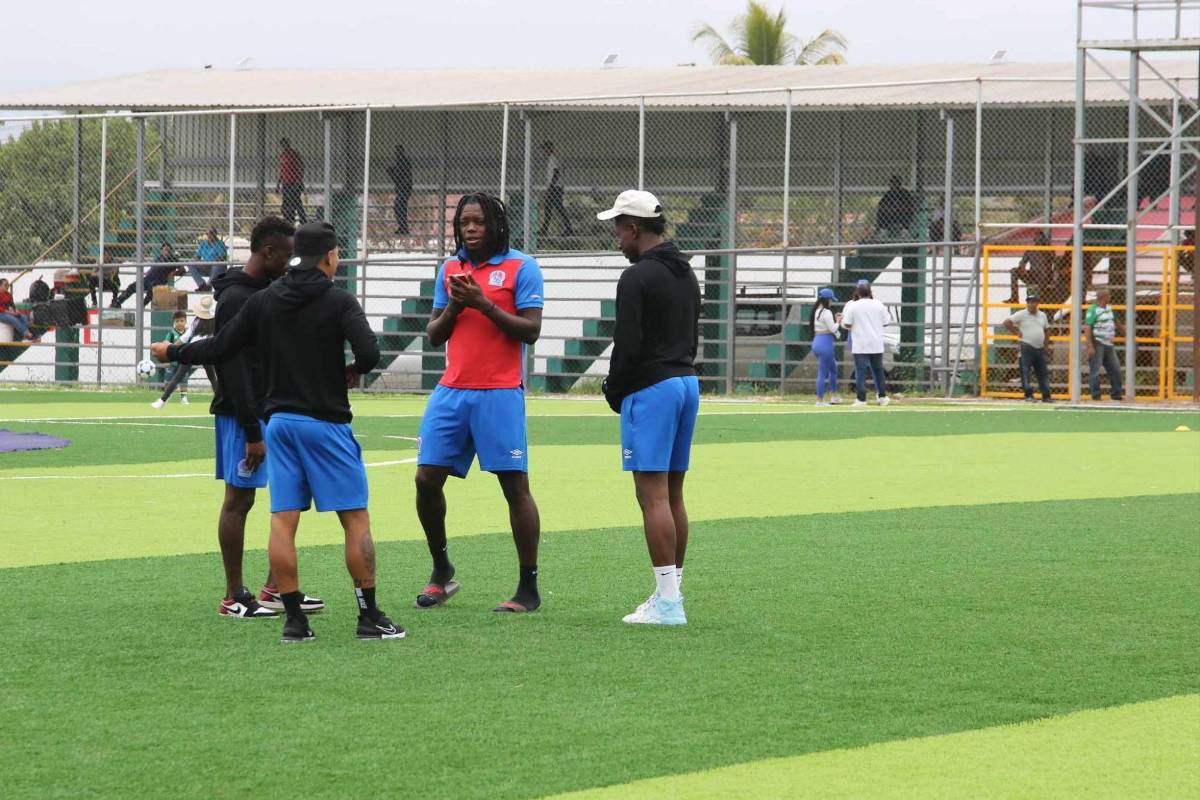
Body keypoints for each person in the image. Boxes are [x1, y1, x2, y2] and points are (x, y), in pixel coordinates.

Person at [153, 220, 398, 643]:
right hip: (326, 422)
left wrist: (173, 350)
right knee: (354, 517)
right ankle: (369, 617)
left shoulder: (265, 300)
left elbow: (221, 346)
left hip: (280, 424)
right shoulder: (339, 300)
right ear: (331, 256)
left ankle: (295, 623)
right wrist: (353, 371)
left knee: (283, 520)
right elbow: (370, 353)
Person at [414, 193, 545, 614]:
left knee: (514, 488)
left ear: (496, 226)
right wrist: (455, 303)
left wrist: (483, 304)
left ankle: (528, 588)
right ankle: (441, 571)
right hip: (452, 390)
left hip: (501, 391)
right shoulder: (450, 268)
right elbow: (435, 335)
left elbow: (530, 331)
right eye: (464, 222)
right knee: (425, 480)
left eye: (479, 222)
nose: (470, 229)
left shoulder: (521, 267)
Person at [208, 216, 322, 618]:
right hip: (245, 416)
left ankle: (276, 588)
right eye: (287, 255)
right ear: (268, 252)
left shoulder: (265, 291)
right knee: (239, 500)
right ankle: (233, 595)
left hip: (273, 411)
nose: (291, 263)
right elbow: (232, 367)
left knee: (291, 495)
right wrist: (251, 428)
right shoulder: (237, 298)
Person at [597, 190, 700, 626]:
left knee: (651, 495)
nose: (617, 239)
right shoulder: (684, 271)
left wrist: (613, 389)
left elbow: (628, 345)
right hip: (685, 383)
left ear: (633, 228)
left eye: (618, 230)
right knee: (673, 493)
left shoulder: (637, 277)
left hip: (653, 389)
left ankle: (668, 603)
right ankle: (669, 593)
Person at [152, 300, 217, 408]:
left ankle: (162, 401)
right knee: (212, 377)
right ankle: (219, 400)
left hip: (192, 350)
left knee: (178, 376)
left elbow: (184, 338)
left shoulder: (196, 322)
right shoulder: (215, 322)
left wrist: (170, 349)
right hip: (207, 350)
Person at [840, 279, 891, 406]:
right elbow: (886, 321)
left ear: (858, 291)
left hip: (860, 343)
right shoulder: (879, 305)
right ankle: (882, 396)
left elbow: (846, 323)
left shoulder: (853, 306)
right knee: (878, 371)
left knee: (860, 372)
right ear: (870, 291)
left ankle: (861, 399)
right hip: (876, 343)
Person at [1003, 291, 1053, 403]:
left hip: (1039, 348)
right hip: (1026, 346)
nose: (1031, 304)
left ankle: (1046, 396)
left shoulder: (1042, 315)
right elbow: (1006, 322)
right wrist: (1016, 332)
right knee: (1025, 371)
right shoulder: (1021, 314)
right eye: (1029, 302)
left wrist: (1046, 345)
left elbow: (1046, 330)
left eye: (1034, 302)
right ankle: (1028, 395)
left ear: (1038, 303)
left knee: (1043, 372)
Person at [1084, 287, 1125, 401]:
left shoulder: (1109, 308)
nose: (1110, 297)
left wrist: (1127, 334)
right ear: (1103, 297)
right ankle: (1096, 395)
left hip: (1109, 343)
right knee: (1095, 370)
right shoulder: (1093, 309)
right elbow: (1088, 327)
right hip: (1098, 342)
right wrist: (1090, 346)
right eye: (1108, 295)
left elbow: (1116, 322)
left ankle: (1116, 394)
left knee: (1115, 369)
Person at [113, 242, 183, 308]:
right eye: (165, 250)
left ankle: (141, 306)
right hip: (148, 278)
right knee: (132, 286)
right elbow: (154, 268)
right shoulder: (159, 258)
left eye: (168, 250)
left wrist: (174, 273)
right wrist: (149, 271)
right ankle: (118, 301)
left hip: (159, 280)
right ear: (162, 251)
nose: (167, 252)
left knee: (152, 288)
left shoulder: (173, 259)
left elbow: (183, 269)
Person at [809, 288, 841, 406]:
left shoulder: (816, 311)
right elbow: (833, 329)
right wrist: (838, 321)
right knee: (822, 372)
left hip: (817, 341)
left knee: (833, 367)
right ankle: (820, 400)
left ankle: (834, 395)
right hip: (825, 343)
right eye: (831, 300)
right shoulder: (827, 312)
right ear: (828, 300)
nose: (832, 302)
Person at [1007, 232, 1056, 304]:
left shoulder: (1049, 250)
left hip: (1046, 276)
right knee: (1014, 271)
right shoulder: (1030, 250)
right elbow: (1022, 263)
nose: (1038, 241)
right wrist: (1022, 269)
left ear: (1044, 240)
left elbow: (1056, 264)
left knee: (1045, 275)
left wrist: (1054, 277)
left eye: (1040, 239)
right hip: (1032, 275)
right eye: (1037, 239)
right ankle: (1014, 298)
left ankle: (1039, 300)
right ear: (1034, 240)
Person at [537, 141, 573, 238]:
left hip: (555, 188)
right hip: (555, 187)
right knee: (550, 207)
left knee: (556, 207)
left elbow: (556, 173)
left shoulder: (553, 159)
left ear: (549, 149)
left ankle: (568, 228)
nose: (543, 152)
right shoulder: (551, 160)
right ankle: (546, 228)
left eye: (544, 150)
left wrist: (550, 187)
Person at [277, 138, 307, 225]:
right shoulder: (282, 155)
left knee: (295, 201)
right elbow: (282, 171)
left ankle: (302, 220)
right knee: (287, 201)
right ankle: (289, 219)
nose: (284, 146)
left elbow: (301, 167)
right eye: (283, 144)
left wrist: (298, 180)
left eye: (285, 144)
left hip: (294, 182)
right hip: (286, 183)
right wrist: (278, 183)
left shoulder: (294, 154)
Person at [387, 144, 413, 235]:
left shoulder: (402, 162)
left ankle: (403, 227)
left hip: (404, 188)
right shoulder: (401, 162)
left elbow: (398, 177)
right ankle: (403, 227)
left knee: (399, 206)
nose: (397, 153)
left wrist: (390, 172)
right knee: (400, 207)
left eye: (398, 151)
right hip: (403, 188)